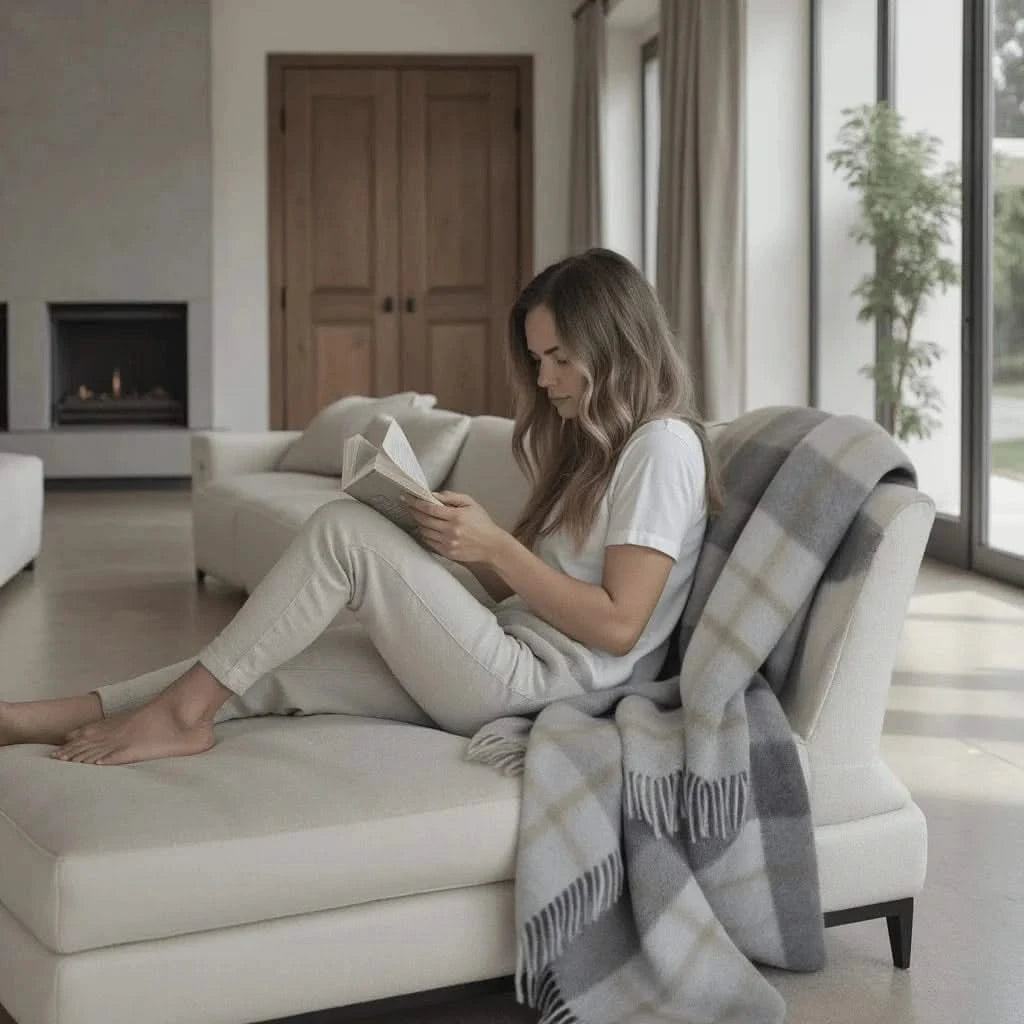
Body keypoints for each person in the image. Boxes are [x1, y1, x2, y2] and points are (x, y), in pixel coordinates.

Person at [0, 248, 720, 766]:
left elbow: (621, 626)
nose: (545, 378)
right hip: (506, 648)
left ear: (616, 343)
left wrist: (499, 547)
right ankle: (35, 718)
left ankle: (183, 718)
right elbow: (529, 590)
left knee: (342, 528)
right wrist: (448, 539)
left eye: (560, 357)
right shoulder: (594, 446)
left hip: (537, 685)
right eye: (537, 360)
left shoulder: (661, 448)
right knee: (273, 656)